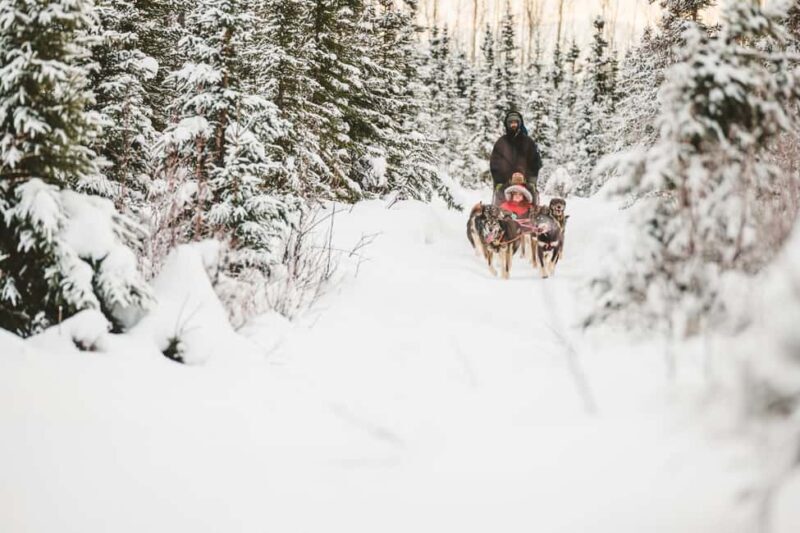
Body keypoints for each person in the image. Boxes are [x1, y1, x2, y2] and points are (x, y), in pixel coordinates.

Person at [490, 111, 542, 205]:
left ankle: (534, 212)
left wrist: (531, 181)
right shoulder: (501, 142)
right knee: (499, 198)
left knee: (532, 196)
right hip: (505, 181)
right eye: (511, 122)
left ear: (519, 123)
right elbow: (494, 164)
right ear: (507, 124)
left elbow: (535, 162)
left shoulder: (528, 142)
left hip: (525, 181)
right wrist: (499, 181)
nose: (513, 124)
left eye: (515, 122)